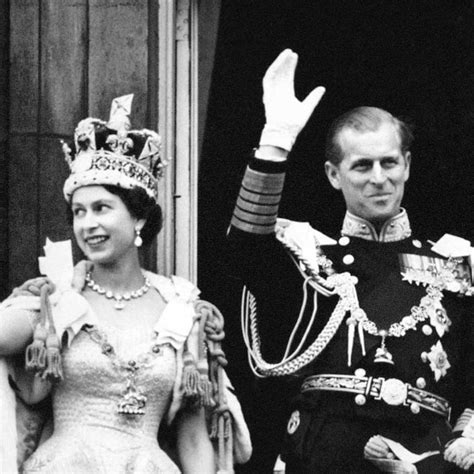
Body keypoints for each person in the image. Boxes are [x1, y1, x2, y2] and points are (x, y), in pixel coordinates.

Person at [227, 49, 474, 473]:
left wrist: (469, 437)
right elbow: (245, 252)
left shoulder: (456, 263)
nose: (379, 178)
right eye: (362, 165)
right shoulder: (310, 256)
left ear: (407, 165)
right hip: (323, 455)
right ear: (332, 174)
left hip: (423, 459)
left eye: (389, 162)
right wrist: (275, 141)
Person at [0, 95, 251, 473]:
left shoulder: (179, 307)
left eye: (101, 208)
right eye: (78, 212)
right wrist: (53, 300)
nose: (87, 224)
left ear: (138, 218)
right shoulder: (58, 297)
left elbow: (192, 435)